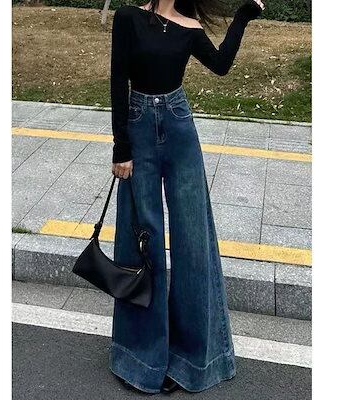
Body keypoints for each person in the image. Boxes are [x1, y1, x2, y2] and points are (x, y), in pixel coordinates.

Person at [109, 0, 264, 394]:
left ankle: (194, 360)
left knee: (194, 242)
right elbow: (118, 79)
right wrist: (120, 147)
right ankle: (142, 358)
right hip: (138, 128)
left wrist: (243, 15)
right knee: (142, 243)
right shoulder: (128, 17)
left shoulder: (190, 27)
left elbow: (221, 64)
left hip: (179, 126)